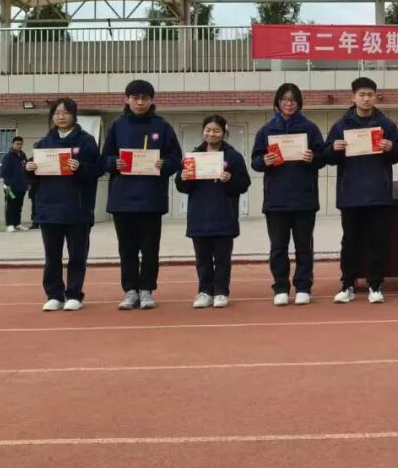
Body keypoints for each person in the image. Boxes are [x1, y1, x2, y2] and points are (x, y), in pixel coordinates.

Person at [323, 77, 398, 304]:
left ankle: (375, 285)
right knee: (350, 241)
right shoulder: (341, 126)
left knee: (377, 241)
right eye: (362, 95)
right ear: (353, 97)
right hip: (350, 195)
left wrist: (391, 147)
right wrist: (333, 148)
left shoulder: (386, 125)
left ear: (375, 97)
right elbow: (325, 157)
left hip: (378, 194)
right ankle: (347, 285)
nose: (366, 99)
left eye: (370, 94)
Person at [101, 79, 182, 310]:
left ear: (151, 100)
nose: (139, 102)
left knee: (150, 248)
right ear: (126, 99)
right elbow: (104, 158)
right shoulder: (117, 126)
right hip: (123, 199)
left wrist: (164, 164)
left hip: (151, 198)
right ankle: (130, 290)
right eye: (135, 98)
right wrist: (114, 163)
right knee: (126, 249)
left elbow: (176, 157)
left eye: (144, 98)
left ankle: (146, 290)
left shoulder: (162, 126)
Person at [251, 83, 325, 306]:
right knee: (278, 247)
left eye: (293, 100)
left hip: (304, 199)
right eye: (285, 99)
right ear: (278, 102)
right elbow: (255, 162)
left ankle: (303, 286)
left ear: (299, 103)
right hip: (276, 200)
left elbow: (323, 157)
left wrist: (314, 158)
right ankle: (281, 287)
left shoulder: (310, 128)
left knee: (304, 247)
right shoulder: (266, 130)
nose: (289, 103)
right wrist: (264, 160)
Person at [27, 98, 101, 311]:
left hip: (77, 208)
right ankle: (54, 295)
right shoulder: (44, 143)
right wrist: (29, 168)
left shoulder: (86, 141)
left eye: (65, 113)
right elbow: (34, 176)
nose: (61, 117)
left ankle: (74, 294)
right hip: (49, 208)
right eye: (57, 113)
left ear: (74, 116)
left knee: (77, 255)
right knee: (52, 256)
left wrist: (81, 167)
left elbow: (97, 170)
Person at [176, 115, 251, 309]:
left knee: (222, 259)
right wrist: (183, 177)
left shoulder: (233, 156)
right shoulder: (193, 156)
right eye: (208, 130)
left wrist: (230, 179)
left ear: (224, 133)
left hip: (224, 215)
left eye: (216, 130)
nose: (212, 134)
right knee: (202, 259)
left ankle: (221, 292)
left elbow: (244, 184)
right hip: (199, 216)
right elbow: (181, 187)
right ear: (203, 131)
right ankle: (205, 292)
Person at [1, 136, 29, 232]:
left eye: (21, 144)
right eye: (17, 144)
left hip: (22, 185)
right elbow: (4, 172)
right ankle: (10, 224)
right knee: (11, 205)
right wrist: (7, 184)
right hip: (10, 187)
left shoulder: (23, 155)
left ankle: (17, 223)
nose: (19, 146)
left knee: (19, 205)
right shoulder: (8, 156)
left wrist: (27, 182)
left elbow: (26, 169)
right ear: (12, 144)